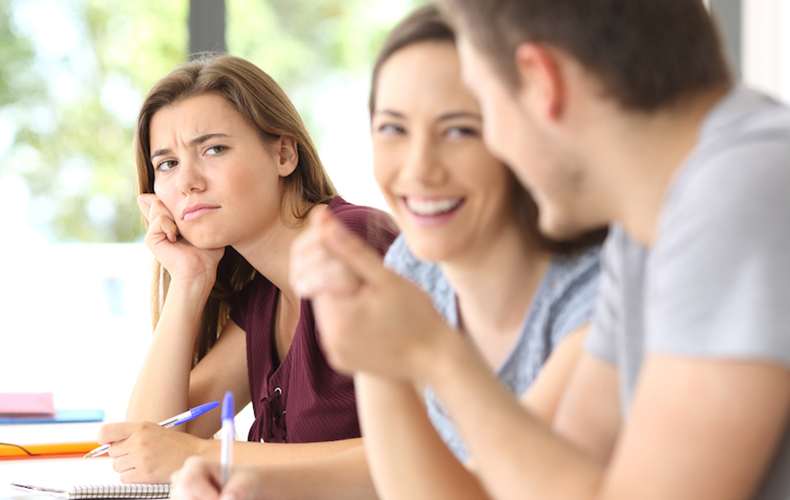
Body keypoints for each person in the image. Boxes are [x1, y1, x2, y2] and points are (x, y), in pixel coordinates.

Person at [285, 1, 790, 500]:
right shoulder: (644, 230)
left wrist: (435, 353)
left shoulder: (737, 192)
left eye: (479, 113)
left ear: (539, 81)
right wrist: (380, 349)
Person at [168, 6, 604, 499]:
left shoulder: (596, 296)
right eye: (394, 129)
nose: (419, 169)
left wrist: (428, 349)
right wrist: (245, 483)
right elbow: (401, 472)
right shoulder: (413, 267)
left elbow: (500, 484)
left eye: (460, 129)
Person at [95, 54, 398, 484]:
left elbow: (423, 454)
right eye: (167, 164)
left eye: (213, 149)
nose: (187, 182)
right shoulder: (264, 293)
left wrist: (200, 454)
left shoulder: (352, 246)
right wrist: (189, 280)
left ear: (284, 154)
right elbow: (147, 446)